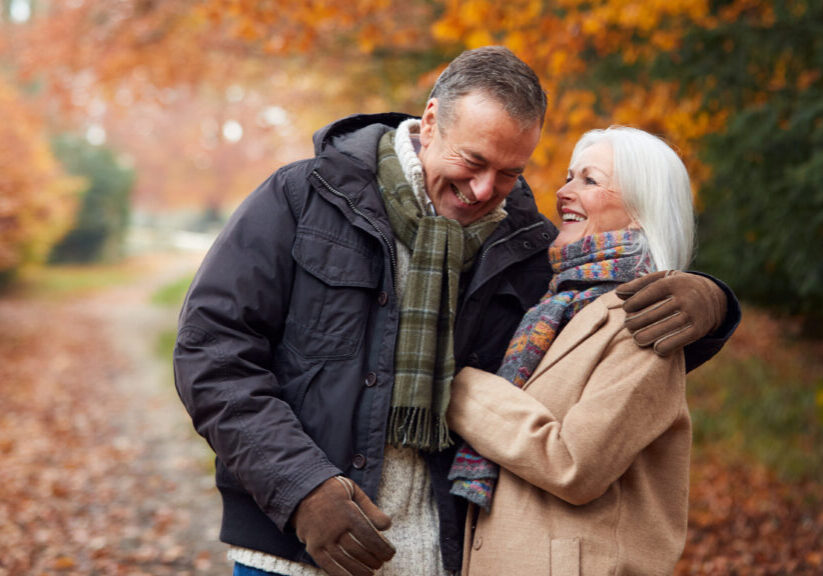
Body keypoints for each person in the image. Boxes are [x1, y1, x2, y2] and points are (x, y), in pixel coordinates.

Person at [173, 46, 740, 576]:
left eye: (511, 173)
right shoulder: (305, 199)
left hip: (443, 556)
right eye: (473, 160)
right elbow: (213, 354)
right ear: (430, 121)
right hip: (295, 552)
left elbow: (605, 340)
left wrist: (712, 304)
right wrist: (301, 488)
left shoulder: (526, 248)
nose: (484, 189)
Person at [447, 126, 705, 575]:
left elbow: (574, 464)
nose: (564, 192)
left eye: (589, 180)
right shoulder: (554, 308)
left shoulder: (644, 320)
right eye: (569, 177)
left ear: (641, 212)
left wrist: (455, 386)